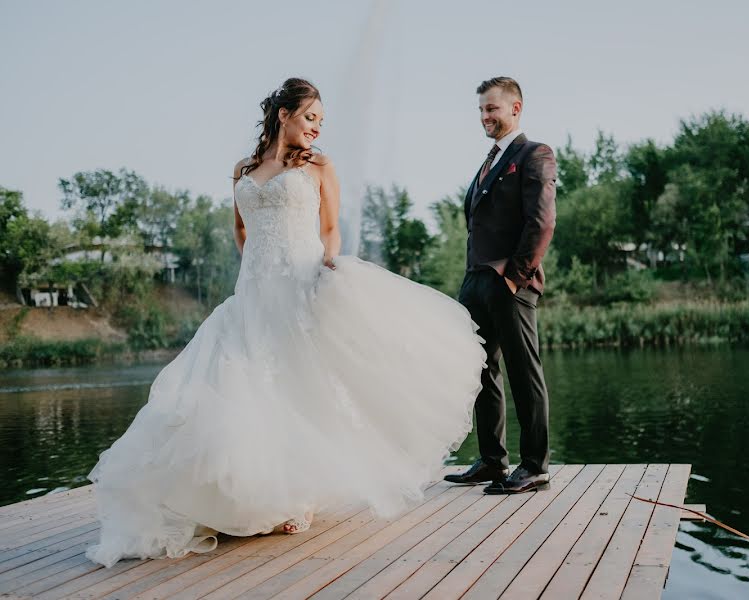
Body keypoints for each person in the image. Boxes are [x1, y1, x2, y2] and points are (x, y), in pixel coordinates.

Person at [85, 78, 486, 568]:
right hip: (254, 293)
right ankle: (241, 495)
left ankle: (299, 497)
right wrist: (256, 268)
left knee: (301, 385)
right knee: (245, 387)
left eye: (321, 121)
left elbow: (331, 228)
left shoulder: (319, 166)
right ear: (284, 115)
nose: (316, 128)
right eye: (310, 117)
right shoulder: (243, 170)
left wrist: (327, 264)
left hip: (301, 284)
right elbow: (240, 228)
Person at [445, 77, 557, 494]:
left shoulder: (534, 154)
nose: (485, 117)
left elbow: (541, 222)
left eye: (492, 109)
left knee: (523, 371)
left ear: (516, 108)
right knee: (480, 370)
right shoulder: (488, 162)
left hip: (511, 281)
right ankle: (493, 459)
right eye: (481, 110)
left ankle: (535, 466)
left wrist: (515, 277)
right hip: (475, 281)